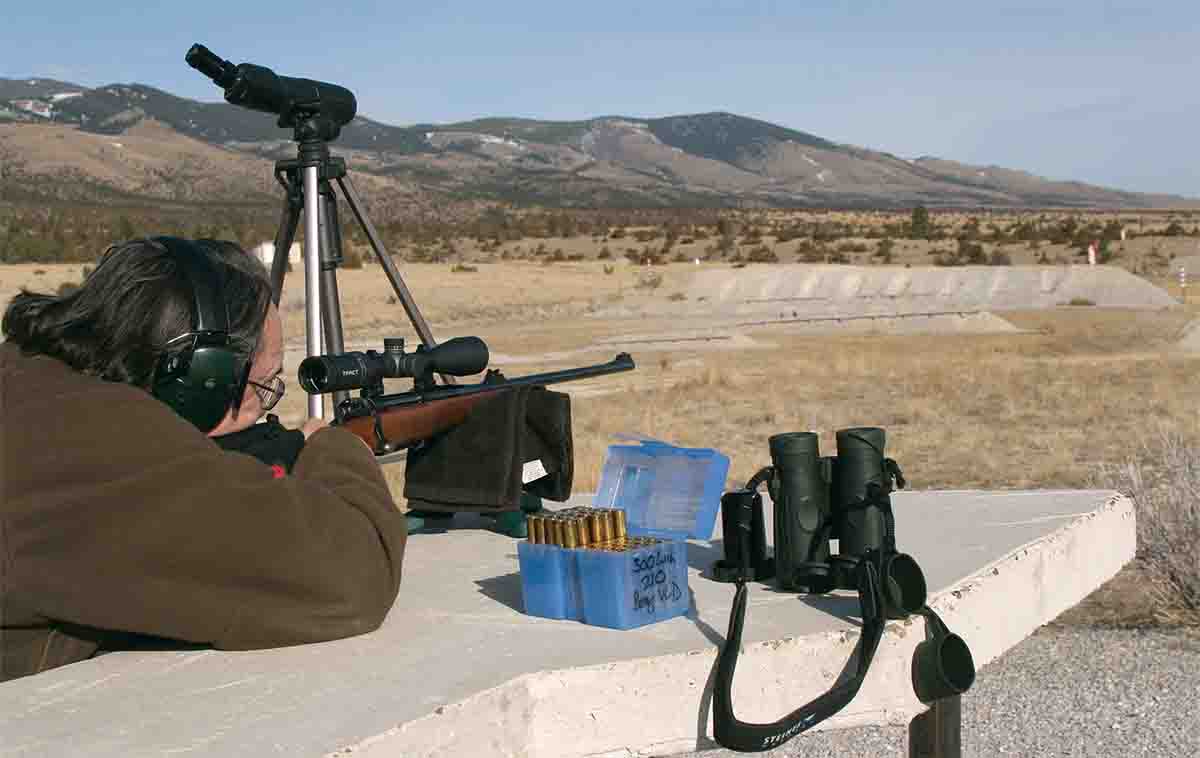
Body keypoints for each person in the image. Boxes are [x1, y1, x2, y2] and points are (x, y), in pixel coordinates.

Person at [0, 237, 407, 683]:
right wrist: (333, 445)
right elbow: (353, 576)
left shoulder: (32, 383)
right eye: (263, 386)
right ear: (196, 384)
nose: (265, 411)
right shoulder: (100, 447)